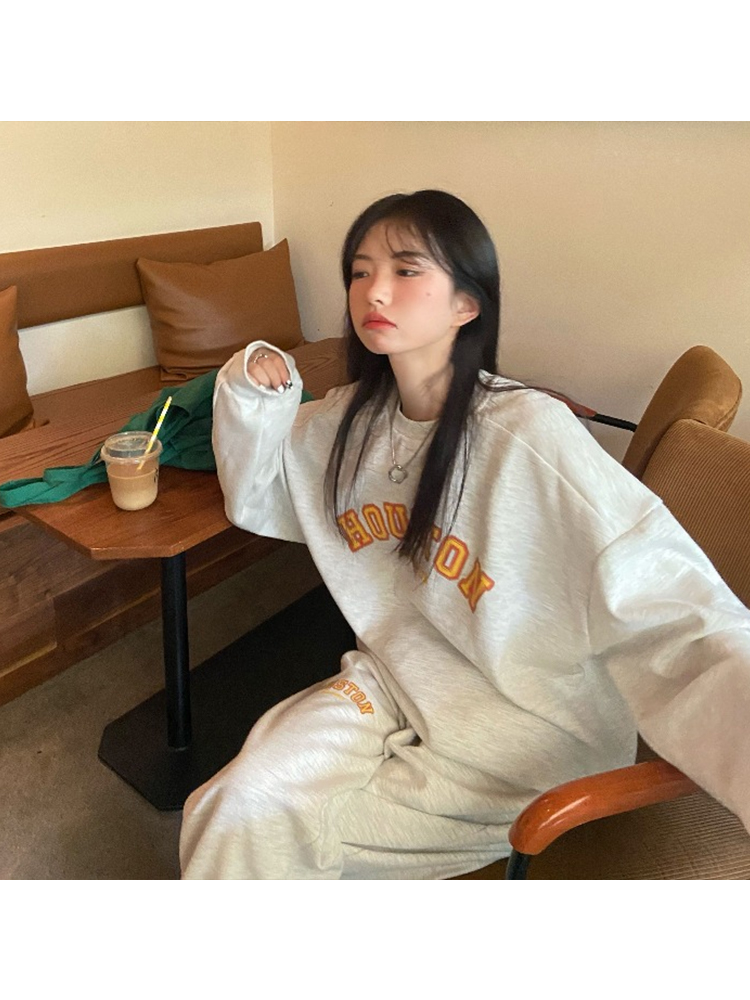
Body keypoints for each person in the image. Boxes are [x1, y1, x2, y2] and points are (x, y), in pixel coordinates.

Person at [179, 189, 750, 880]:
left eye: (406, 269)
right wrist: (252, 391)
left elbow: (673, 605)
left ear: (466, 304)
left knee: (280, 842)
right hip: (392, 681)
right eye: (359, 271)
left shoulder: (528, 435)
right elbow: (258, 494)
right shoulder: (348, 422)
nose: (374, 291)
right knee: (233, 804)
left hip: (524, 726)